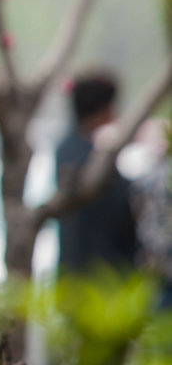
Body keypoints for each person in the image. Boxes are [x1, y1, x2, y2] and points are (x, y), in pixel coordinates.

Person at [56, 70, 137, 274]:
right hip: (99, 271)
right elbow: (119, 207)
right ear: (103, 109)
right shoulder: (86, 154)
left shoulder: (68, 148)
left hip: (79, 267)